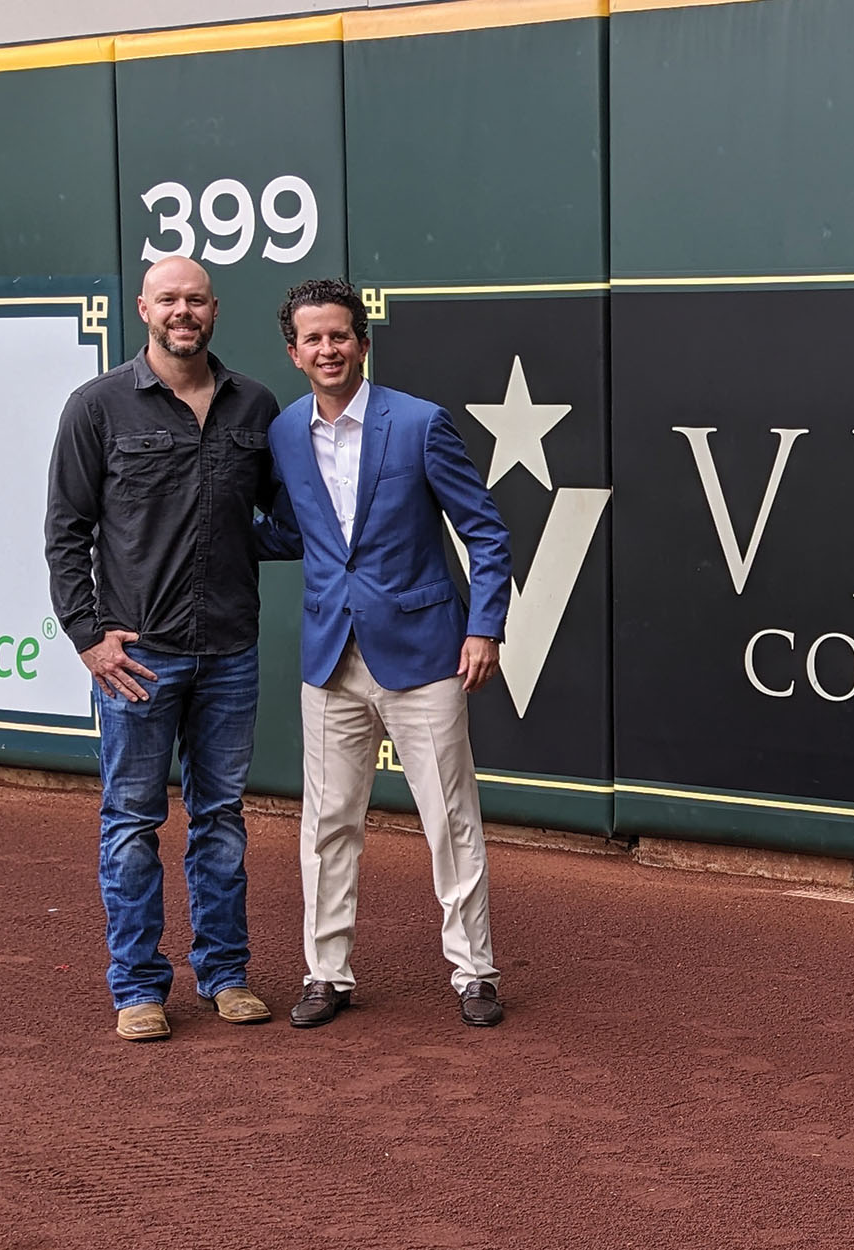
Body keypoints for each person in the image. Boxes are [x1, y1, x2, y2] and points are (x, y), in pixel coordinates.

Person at [265, 277, 512, 1028]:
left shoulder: (419, 423)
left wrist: (484, 626)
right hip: (330, 657)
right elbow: (290, 533)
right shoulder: (283, 433)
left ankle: (475, 973)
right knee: (329, 822)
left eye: (340, 335)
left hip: (424, 655)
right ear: (294, 353)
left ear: (362, 345)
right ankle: (326, 973)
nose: (328, 349)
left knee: (450, 819)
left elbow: (486, 532)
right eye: (314, 339)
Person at [44, 257, 280, 1042]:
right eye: (169, 299)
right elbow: (66, 533)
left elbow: (284, 515)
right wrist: (87, 636)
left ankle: (225, 975)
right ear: (143, 306)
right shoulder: (98, 406)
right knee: (130, 824)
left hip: (230, 650)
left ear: (215, 309)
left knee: (220, 818)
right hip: (137, 657)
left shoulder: (256, 403)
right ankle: (139, 987)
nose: (184, 311)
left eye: (197, 300)